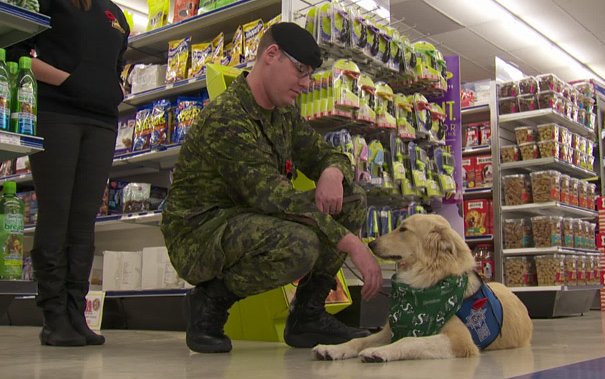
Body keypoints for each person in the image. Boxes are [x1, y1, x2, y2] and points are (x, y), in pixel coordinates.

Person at [161, 22, 383, 354]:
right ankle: (208, 305)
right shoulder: (228, 118)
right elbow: (272, 197)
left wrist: (332, 171)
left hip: (247, 218)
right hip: (200, 234)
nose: (306, 84)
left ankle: (307, 315)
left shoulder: (283, 114)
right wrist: (350, 242)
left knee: (352, 199)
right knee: (300, 244)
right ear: (271, 55)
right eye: (301, 71)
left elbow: (321, 153)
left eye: (310, 74)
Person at [7, 0, 129, 346]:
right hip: (57, 114)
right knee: (56, 213)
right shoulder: (48, 2)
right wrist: (71, 80)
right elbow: (18, 53)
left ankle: (76, 312)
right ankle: (54, 316)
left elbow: (117, 63)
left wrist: (113, 88)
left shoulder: (115, 14)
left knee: (83, 220)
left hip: (102, 122)